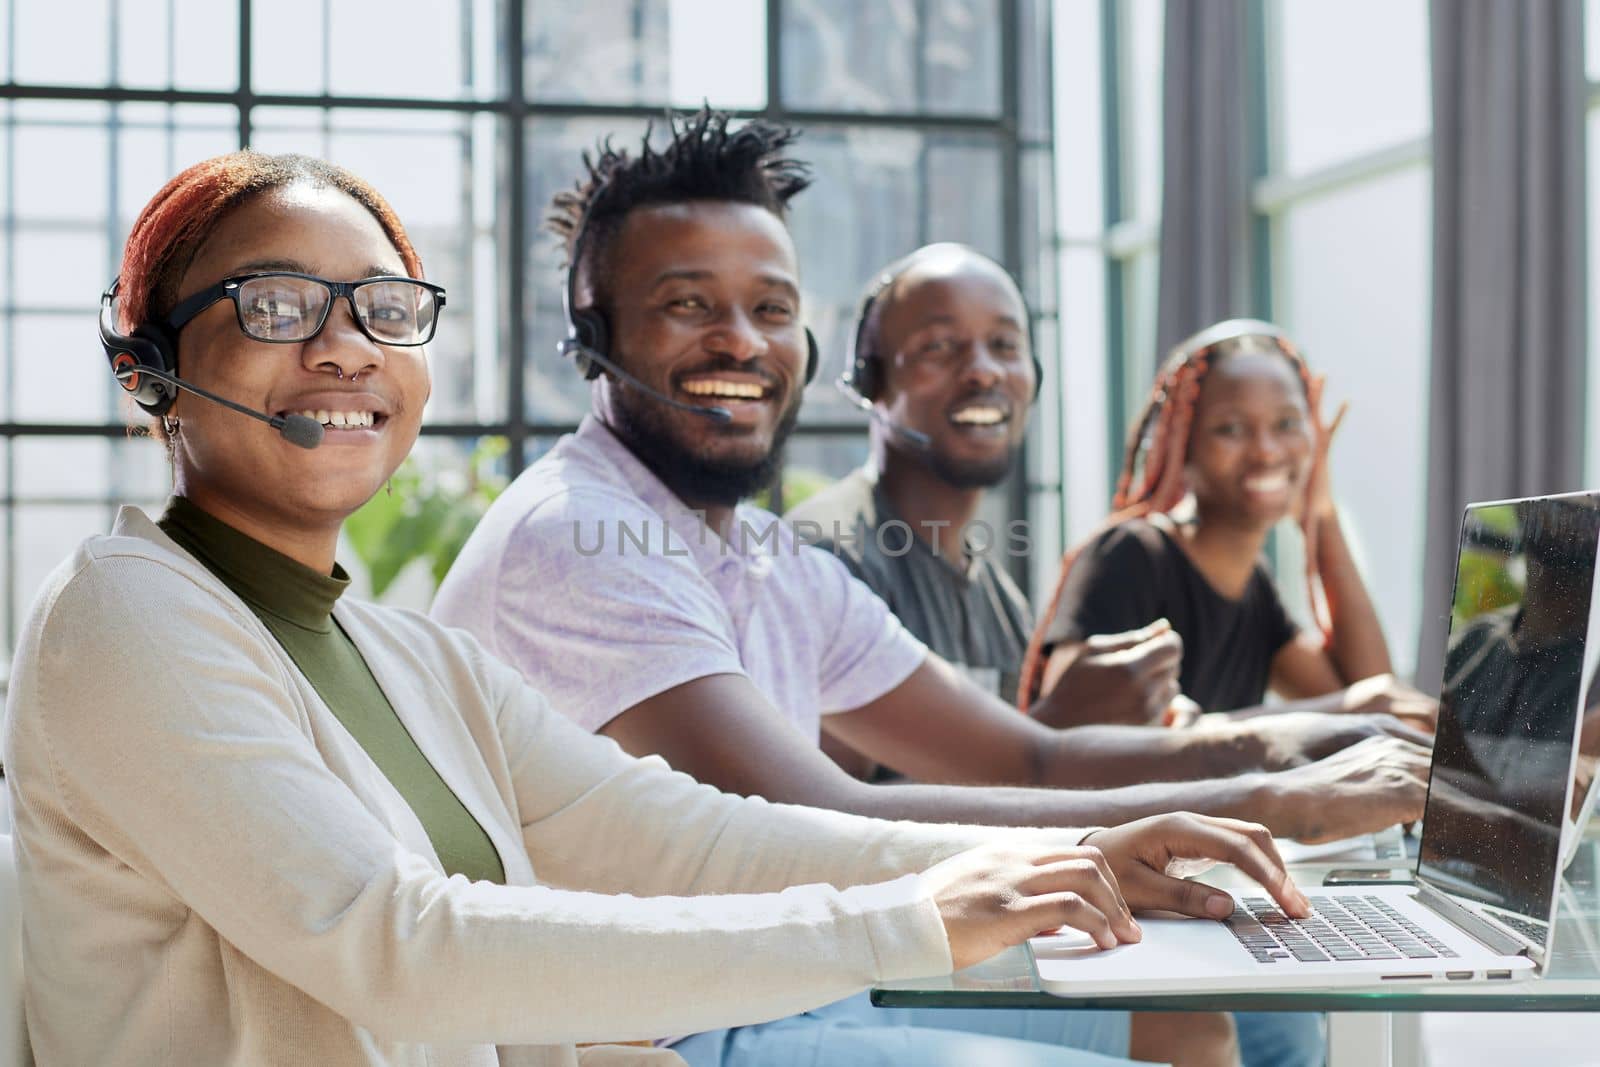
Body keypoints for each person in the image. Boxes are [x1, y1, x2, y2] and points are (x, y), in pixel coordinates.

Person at [2, 150, 1307, 1067]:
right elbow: (396, 940)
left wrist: (1043, 865)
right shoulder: (129, 618)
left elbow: (683, 835)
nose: (345, 345)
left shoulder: (402, 655)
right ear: (154, 369)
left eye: (383, 310)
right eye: (276, 304)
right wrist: (915, 913)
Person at [432, 109, 1430, 1067]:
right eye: (688, 304)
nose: (740, 340)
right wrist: (1274, 804)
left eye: (771, 307)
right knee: (1174, 1028)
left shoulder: (771, 560)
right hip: (664, 1022)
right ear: (592, 338)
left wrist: (1322, 756)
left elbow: (1033, 756)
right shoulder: (578, 536)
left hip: (782, 963)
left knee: (1184, 1020)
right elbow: (815, 820)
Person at [789, 244, 1328, 1067]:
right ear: (869, 382)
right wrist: (1057, 728)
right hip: (893, 940)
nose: (983, 371)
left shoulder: (988, 582)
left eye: (1005, 345)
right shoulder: (829, 556)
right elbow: (817, 821)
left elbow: (1031, 756)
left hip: (998, 905)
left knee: (1282, 1013)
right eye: (939, 347)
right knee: (1227, 1023)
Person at [1021, 320, 1438, 738]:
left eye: (1288, 424)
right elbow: (1069, 732)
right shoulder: (1129, 555)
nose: (1266, 451)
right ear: (1181, 445)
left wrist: (1321, 513)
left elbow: (1378, 705)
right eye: (1231, 429)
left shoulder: (1253, 587)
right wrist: (1350, 708)